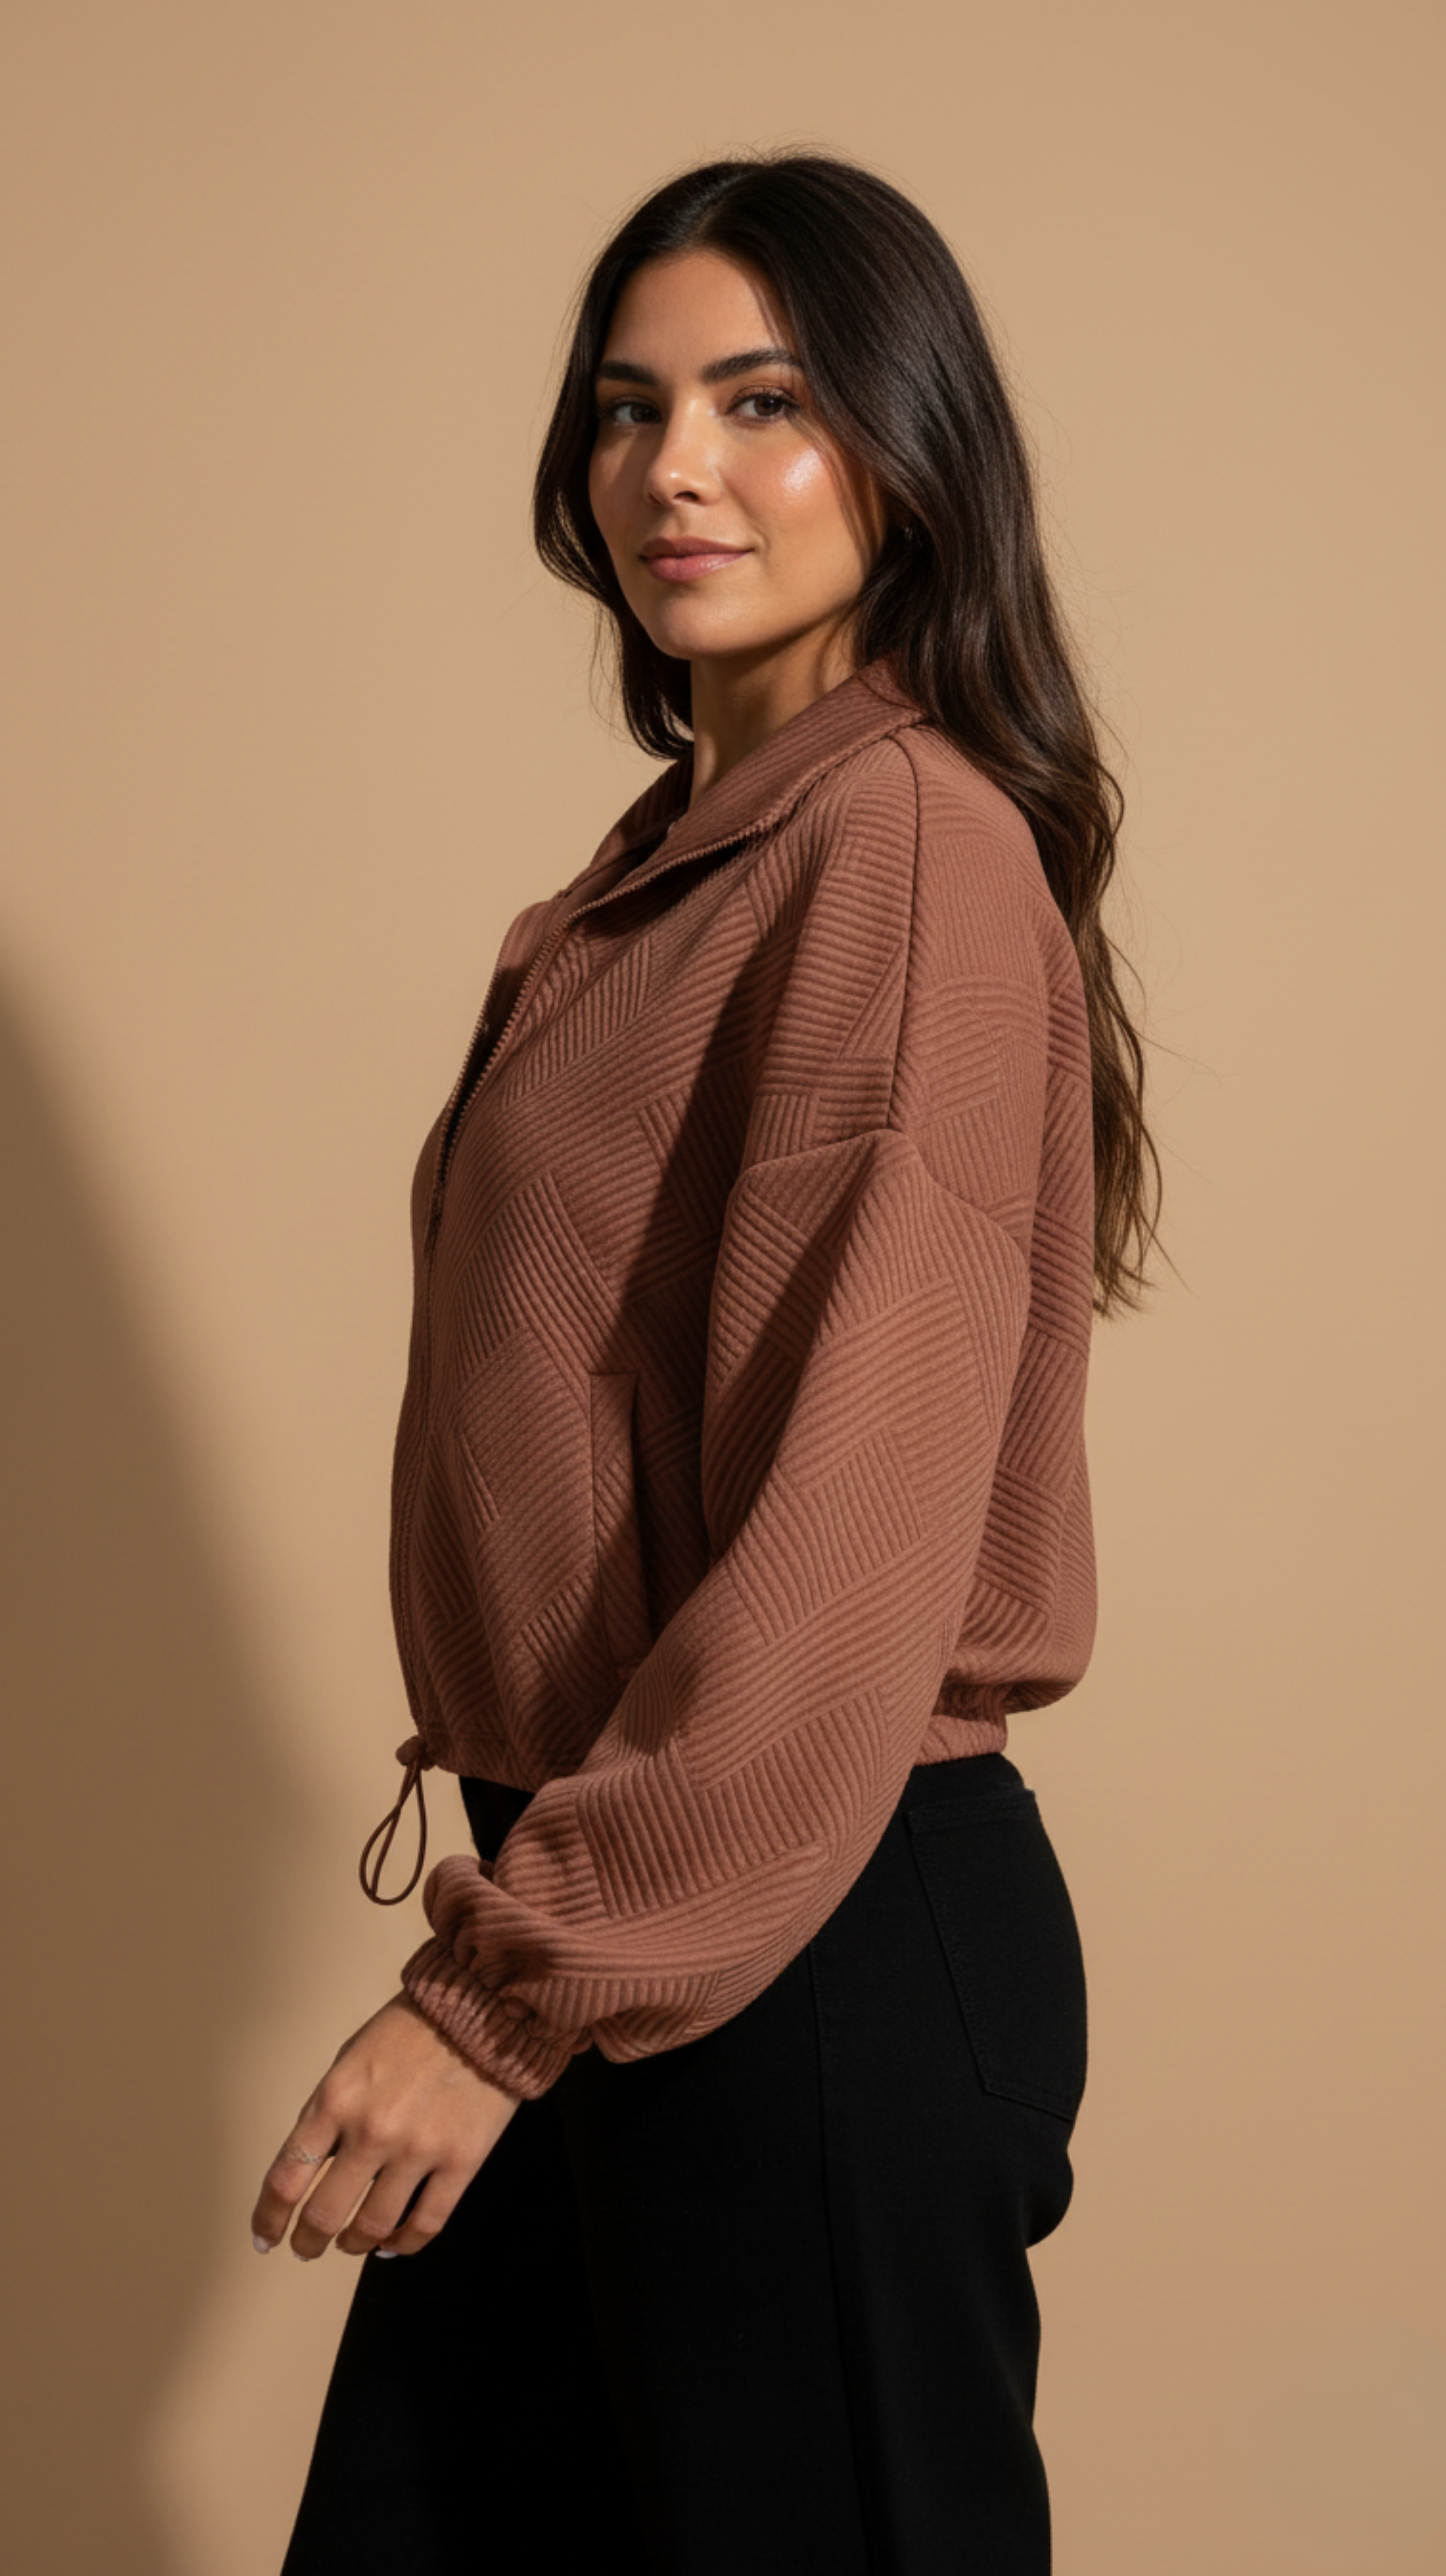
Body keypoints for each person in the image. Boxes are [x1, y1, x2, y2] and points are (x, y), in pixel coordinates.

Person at [253, 148, 1159, 2575]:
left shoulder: (905, 852)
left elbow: (846, 1530)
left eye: (766, 403)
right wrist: (535, 1947)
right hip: (625, 1901)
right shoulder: (675, 865)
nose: (678, 467)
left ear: (908, 446)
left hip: (796, 1935)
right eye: (630, 408)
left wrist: (499, 2001)